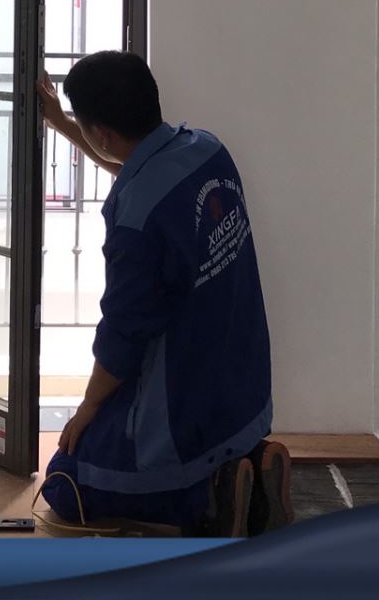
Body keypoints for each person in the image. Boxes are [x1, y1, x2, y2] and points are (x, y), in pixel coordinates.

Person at [36, 51, 292, 537]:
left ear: (102, 132)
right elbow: (131, 166)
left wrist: (88, 409)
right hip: (242, 389)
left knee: (66, 480)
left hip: (181, 402)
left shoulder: (136, 222)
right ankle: (252, 461)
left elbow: (124, 332)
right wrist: (65, 124)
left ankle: (212, 495)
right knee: (161, 439)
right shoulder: (206, 150)